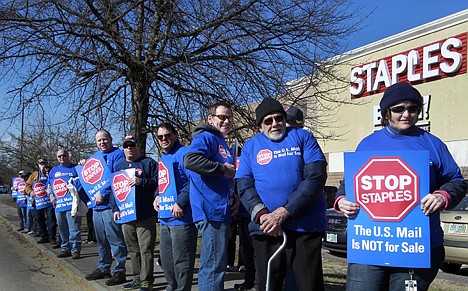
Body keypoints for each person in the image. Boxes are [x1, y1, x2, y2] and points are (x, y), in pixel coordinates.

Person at [334, 82, 467, 291]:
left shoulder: (432, 143)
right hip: (370, 246)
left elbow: (457, 181)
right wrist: (341, 200)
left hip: (416, 246)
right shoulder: (368, 144)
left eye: (413, 108)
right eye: (398, 109)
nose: (406, 114)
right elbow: (348, 183)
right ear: (386, 112)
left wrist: (442, 196)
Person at [235, 97, 328, 291]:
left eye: (279, 118)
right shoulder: (251, 146)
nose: (275, 124)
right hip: (266, 228)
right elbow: (244, 184)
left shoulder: (303, 137)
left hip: (305, 227)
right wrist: (262, 215)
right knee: (269, 284)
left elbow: (315, 177)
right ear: (260, 125)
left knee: (307, 285)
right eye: (268, 121)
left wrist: (284, 212)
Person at [184, 101, 239, 291]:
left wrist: (234, 196)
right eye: (222, 117)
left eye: (229, 118)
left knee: (216, 265)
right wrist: (222, 169)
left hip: (221, 210)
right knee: (213, 266)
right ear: (210, 119)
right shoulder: (206, 137)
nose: (226, 121)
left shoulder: (221, 141)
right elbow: (190, 160)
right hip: (210, 211)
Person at [110, 135, 158, 291]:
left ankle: (147, 281)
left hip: (145, 214)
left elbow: (158, 183)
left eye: (132, 145)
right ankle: (137, 278)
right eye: (126, 146)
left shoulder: (149, 163)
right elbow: (114, 190)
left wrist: (141, 181)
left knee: (146, 249)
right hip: (126, 215)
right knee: (133, 249)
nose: (129, 148)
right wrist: (116, 209)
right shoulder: (119, 166)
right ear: (123, 148)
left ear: (138, 146)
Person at [154, 123, 198, 291]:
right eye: (160, 137)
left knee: (182, 260)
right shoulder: (163, 158)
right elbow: (163, 183)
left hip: (182, 217)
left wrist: (181, 202)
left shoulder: (185, 154)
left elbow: (193, 181)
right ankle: (172, 286)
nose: (164, 139)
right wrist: (157, 196)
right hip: (165, 217)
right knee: (166, 259)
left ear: (175, 134)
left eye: (167, 135)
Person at [83, 129, 128, 286]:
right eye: (99, 140)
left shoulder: (118, 154)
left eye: (104, 139)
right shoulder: (93, 159)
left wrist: (103, 192)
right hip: (96, 207)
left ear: (110, 139)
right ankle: (104, 267)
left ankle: (120, 270)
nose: (102, 142)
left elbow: (115, 177)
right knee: (101, 240)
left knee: (115, 239)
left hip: (110, 205)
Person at [48, 149, 82, 259]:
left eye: (64, 155)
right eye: (59, 156)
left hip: (72, 205)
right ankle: (65, 248)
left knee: (74, 229)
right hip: (59, 205)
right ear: (57, 158)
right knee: (62, 228)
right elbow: (49, 186)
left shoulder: (75, 168)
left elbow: (82, 183)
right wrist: (51, 196)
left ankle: (75, 250)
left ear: (68, 156)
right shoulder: (53, 171)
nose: (62, 158)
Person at [25, 158, 57, 245]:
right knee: (39, 218)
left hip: (49, 200)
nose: (42, 165)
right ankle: (43, 236)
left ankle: (52, 237)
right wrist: (30, 192)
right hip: (38, 201)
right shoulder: (34, 175)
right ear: (38, 165)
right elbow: (27, 186)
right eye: (41, 164)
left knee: (51, 219)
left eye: (44, 163)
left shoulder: (51, 172)